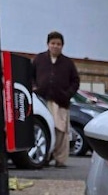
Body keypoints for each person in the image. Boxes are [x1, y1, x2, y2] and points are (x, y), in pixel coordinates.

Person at [32, 32, 80, 167]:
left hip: (61, 102)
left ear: (62, 46)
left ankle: (60, 159)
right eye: (53, 43)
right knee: (46, 128)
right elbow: (31, 76)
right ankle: (45, 156)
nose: (55, 46)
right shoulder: (39, 59)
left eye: (58, 44)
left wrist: (68, 94)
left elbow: (75, 81)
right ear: (48, 44)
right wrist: (35, 88)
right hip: (42, 100)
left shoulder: (68, 63)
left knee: (61, 131)